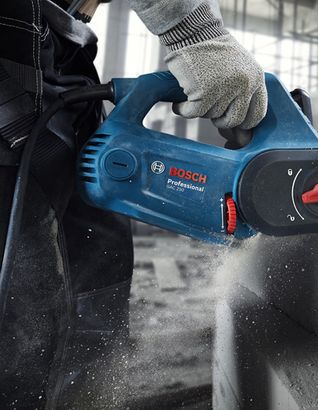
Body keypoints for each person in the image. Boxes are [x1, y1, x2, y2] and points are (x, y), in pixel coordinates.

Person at [0, 0, 266, 407]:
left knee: (97, 273)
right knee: (23, 323)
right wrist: (196, 33)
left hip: (57, 53)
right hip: (12, 67)